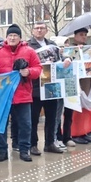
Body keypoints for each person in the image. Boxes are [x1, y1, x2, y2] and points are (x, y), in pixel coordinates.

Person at [0, 24, 41, 162]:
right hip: (2, 96)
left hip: (23, 95)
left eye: (15, 35)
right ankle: (2, 150)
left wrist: (29, 72)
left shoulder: (30, 52)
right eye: (10, 35)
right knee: (1, 125)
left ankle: (24, 150)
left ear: (20, 37)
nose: (12, 38)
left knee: (25, 124)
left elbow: (38, 68)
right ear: (6, 37)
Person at [27, 22, 66, 155]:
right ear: (32, 31)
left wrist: (67, 59)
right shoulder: (28, 46)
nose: (39, 30)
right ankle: (32, 144)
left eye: (41, 28)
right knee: (33, 118)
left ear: (46, 30)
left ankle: (49, 143)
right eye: (36, 28)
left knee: (52, 117)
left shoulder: (52, 45)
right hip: (36, 87)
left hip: (51, 86)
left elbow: (61, 59)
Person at [70, 28, 91, 144]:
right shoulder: (71, 48)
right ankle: (74, 133)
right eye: (81, 35)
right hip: (75, 82)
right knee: (75, 108)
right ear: (75, 36)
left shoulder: (89, 49)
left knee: (84, 108)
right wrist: (77, 51)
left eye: (85, 35)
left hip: (87, 81)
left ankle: (83, 131)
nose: (84, 37)